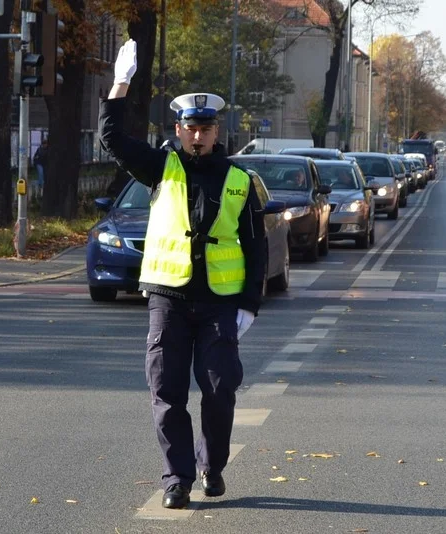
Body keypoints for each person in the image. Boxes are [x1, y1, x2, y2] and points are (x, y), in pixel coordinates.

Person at [99, 39, 266, 510]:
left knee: (219, 390)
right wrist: (121, 84)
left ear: (217, 132)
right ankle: (177, 478)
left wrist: (249, 304)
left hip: (219, 303)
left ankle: (212, 466)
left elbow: (256, 246)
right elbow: (111, 140)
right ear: (178, 129)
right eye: (190, 128)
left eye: (206, 129)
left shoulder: (238, 180)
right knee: (167, 392)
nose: (198, 136)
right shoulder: (161, 167)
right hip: (168, 299)